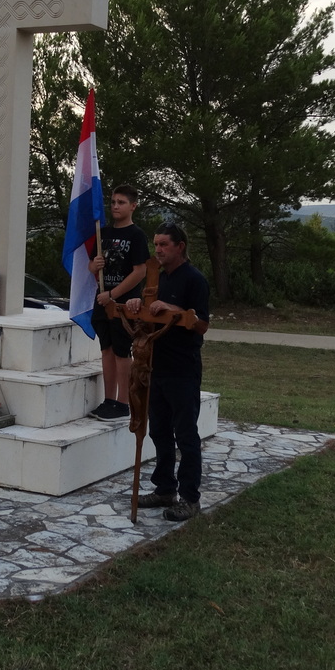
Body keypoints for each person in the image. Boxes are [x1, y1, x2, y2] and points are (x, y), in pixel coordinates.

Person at [126, 222, 210, 522]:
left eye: (164, 244)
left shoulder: (194, 280)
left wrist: (173, 310)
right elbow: (147, 320)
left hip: (182, 367)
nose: (158, 250)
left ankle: (189, 498)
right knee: (159, 431)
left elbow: (201, 324)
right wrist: (137, 304)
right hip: (155, 367)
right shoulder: (155, 280)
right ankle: (165, 489)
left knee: (185, 434)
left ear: (180, 246)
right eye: (156, 245)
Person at [87, 185, 150, 422]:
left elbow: (140, 271)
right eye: (113, 202)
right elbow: (91, 265)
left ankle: (123, 402)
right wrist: (95, 266)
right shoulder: (103, 233)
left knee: (122, 352)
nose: (115, 206)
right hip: (102, 300)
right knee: (106, 350)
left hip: (124, 304)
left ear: (133, 206)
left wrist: (113, 294)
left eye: (121, 202)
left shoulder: (136, 235)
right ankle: (109, 400)